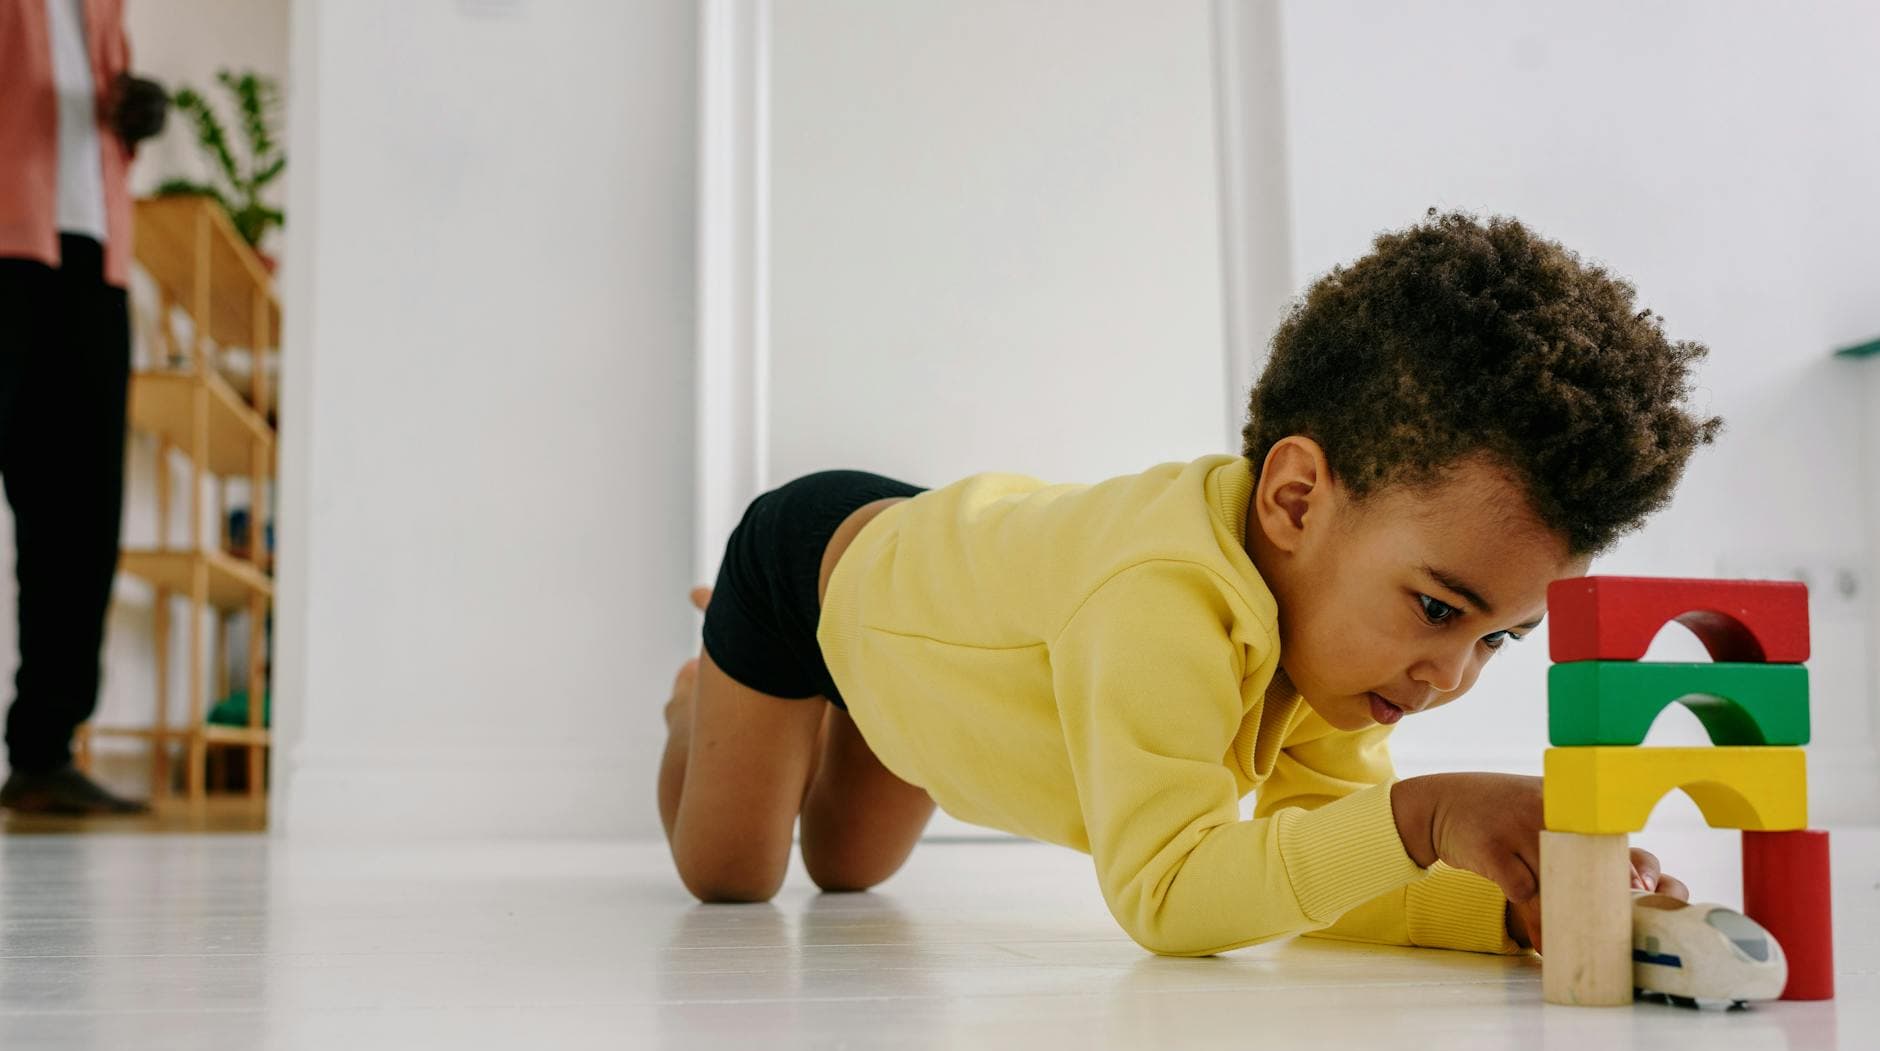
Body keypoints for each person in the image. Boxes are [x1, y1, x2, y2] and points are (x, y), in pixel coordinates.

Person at [659, 209, 1716, 957]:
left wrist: (1501, 906)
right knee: (733, 878)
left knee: (848, 870)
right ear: (1295, 500)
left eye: (1497, 638)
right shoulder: (1160, 602)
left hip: (929, 645)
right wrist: (1426, 813)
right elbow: (1167, 895)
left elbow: (1318, 876)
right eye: (1439, 609)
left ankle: (854, 696)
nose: (1450, 674)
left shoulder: (1345, 660)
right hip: (810, 570)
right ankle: (701, 692)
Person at [0, 0, 166, 814]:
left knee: (79, 513)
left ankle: (43, 748)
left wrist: (135, 114)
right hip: (4, 244)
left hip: (93, 259)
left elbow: (100, 110)